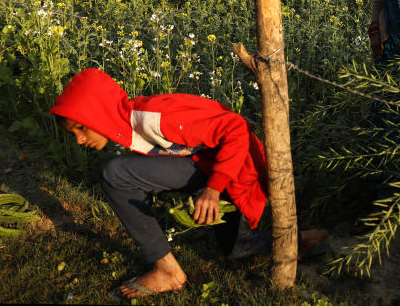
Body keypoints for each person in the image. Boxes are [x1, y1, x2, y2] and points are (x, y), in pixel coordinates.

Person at [49, 68, 328, 299]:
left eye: (81, 128)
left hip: (235, 170)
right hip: (211, 165)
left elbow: (236, 129)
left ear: (97, 114)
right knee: (236, 248)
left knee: (116, 174)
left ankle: (169, 271)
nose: (80, 140)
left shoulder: (157, 117)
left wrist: (214, 188)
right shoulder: (130, 125)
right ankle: (298, 241)